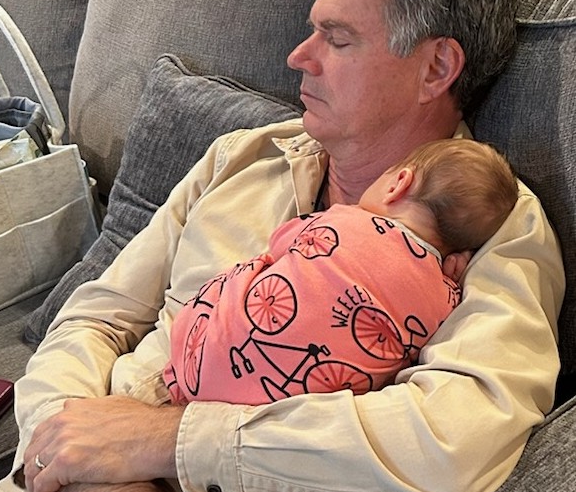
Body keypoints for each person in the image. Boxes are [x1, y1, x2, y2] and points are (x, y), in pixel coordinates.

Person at [0, 0, 564, 492]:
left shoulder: (493, 232)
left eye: (337, 38)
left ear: (435, 68)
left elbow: (453, 441)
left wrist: (162, 441)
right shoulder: (242, 157)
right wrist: (83, 473)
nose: (298, 57)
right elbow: (95, 317)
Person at [163, 138, 518, 407]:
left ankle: (180, 378)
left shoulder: (343, 219)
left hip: (201, 361)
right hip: (287, 412)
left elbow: (282, 241)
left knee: (263, 263)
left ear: (398, 183)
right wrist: (449, 281)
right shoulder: (444, 298)